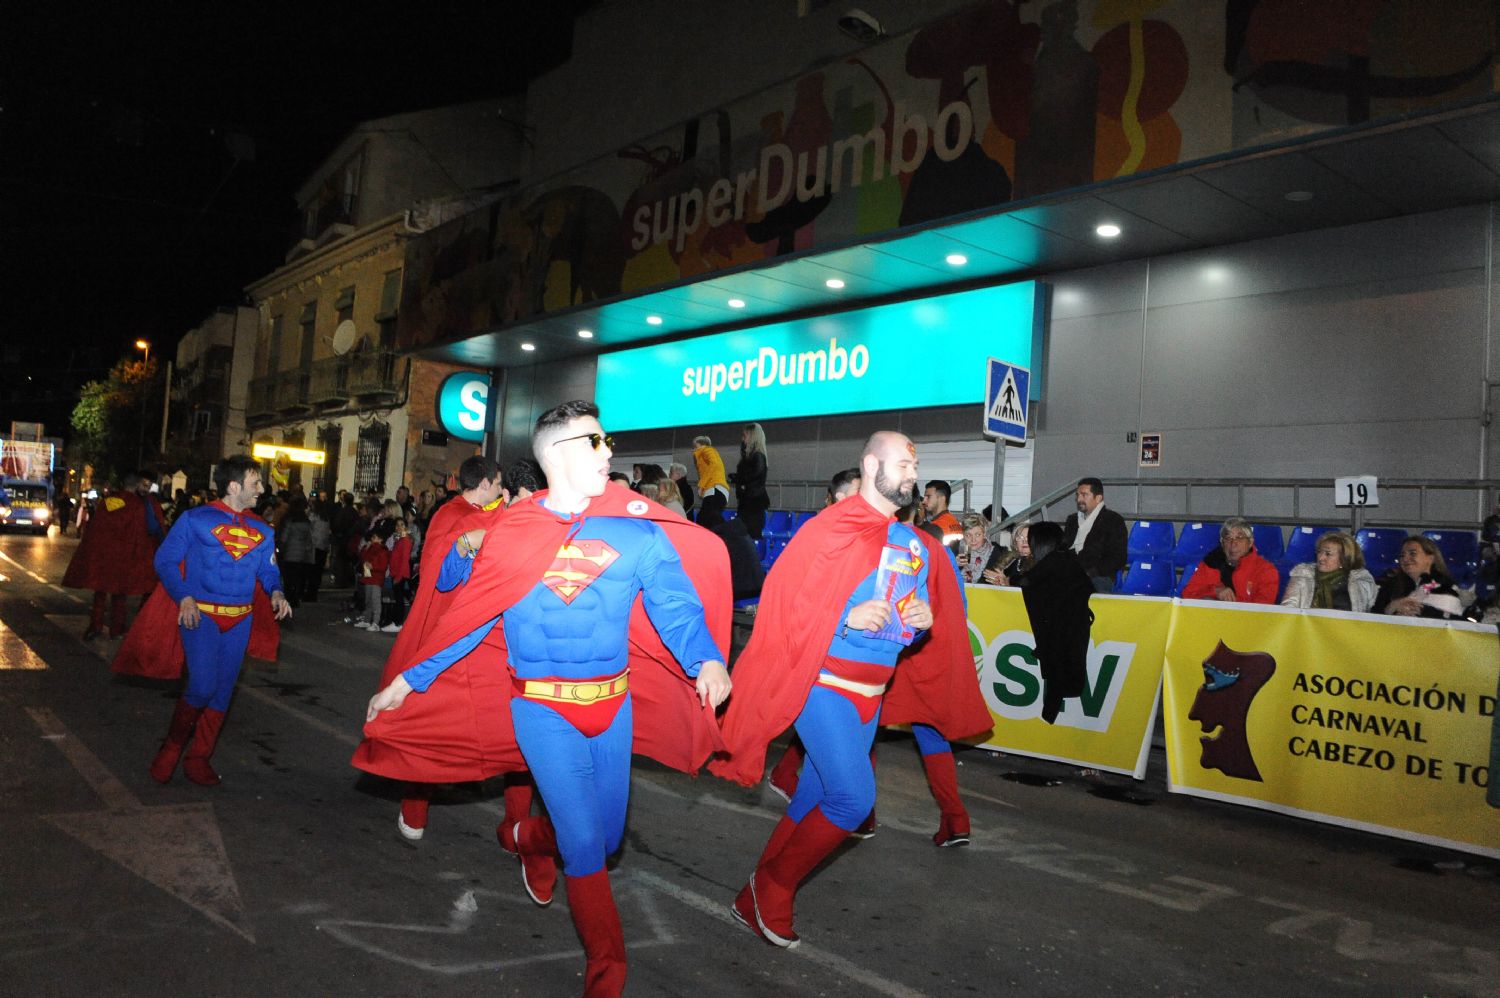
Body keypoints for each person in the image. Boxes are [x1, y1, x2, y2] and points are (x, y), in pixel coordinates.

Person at [364, 401, 733, 996]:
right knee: (586, 842)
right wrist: (407, 681)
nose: (609, 452)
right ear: (560, 453)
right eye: (597, 441)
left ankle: (518, 837)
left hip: (613, 706)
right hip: (540, 710)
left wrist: (707, 658)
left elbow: (674, 603)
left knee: (606, 839)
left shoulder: (636, 528)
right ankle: (608, 972)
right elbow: (471, 618)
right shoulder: (510, 530)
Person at [712, 431, 991, 949]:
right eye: (904, 464)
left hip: (870, 694)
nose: (913, 473)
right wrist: (844, 616)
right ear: (870, 464)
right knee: (852, 799)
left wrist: (920, 620)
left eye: (915, 465)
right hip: (824, 686)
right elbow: (787, 602)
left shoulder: (911, 543)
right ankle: (772, 888)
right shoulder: (830, 528)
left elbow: (901, 629)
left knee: (814, 796)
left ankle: (751, 896)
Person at [351, 455, 533, 854]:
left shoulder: (518, 521)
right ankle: (415, 809)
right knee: (435, 729)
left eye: (509, 490)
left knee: (521, 740)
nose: (503, 495)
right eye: (499, 486)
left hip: (508, 651)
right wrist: (471, 543)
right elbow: (443, 580)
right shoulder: (457, 517)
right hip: (460, 641)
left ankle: (516, 826)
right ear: (486, 484)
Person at [126, 455, 291, 785]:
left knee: (223, 693)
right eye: (254, 483)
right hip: (201, 617)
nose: (261, 489)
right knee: (202, 687)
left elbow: (268, 570)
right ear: (233, 486)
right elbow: (166, 560)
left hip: (239, 620)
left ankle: (199, 757)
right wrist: (184, 596)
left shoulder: (262, 529)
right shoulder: (195, 519)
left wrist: (276, 591)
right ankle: (171, 749)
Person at [62, 471, 161, 639]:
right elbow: (143, 533)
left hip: (104, 557)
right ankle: (116, 630)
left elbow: (96, 529)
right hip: (124, 560)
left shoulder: (108, 502)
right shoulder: (138, 505)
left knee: (100, 594)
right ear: (137, 485)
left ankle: (95, 627)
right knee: (119, 596)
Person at [1012, 521, 1094, 723]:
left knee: (1058, 681)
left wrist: (1007, 581)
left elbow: (1027, 582)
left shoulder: (1055, 561)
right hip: (1071, 633)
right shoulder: (1064, 559)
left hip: (1064, 635)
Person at [1180, 517, 1280, 603]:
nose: (1233, 543)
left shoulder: (1266, 570)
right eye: (1228, 538)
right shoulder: (1211, 563)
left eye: (1239, 538)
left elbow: (1264, 608)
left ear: (1250, 542)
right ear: (1222, 543)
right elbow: (1187, 594)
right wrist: (1215, 591)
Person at [1372, 536, 1467, 619]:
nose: (1405, 559)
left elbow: (1453, 620)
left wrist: (1421, 612)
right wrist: (1392, 607)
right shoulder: (1390, 586)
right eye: (1402, 555)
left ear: (1431, 558)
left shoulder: (1447, 586)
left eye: (1412, 553)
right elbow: (1372, 618)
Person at [1280, 531, 1377, 613]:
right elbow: (1288, 610)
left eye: (1328, 554)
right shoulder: (1303, 576)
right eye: (1319, 552)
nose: (1321, 558)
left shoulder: (1360, 581)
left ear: (1344, 558)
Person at [1060, 478, 1128, 593]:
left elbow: (1118, 557)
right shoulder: (1072, 520)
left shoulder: (1113, 520)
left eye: (1084, 495)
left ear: (1098, 498)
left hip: (1100, 576)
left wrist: (1091, 572)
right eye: (1078, 495)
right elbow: (1063, 548)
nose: (1079, 499)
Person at [733, 422, 770, 539]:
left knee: (749, 533)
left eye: (744, 435)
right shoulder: (750, 456)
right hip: (748, 500)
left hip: (753, 502)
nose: (742, 439)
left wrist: (739, 478)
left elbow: (755, 474)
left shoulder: (757, 456)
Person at [276, 498, 315, 609]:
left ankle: (289, 597)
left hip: (289, 552)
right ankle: (296, 598)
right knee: (298, 577)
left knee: (288, 578)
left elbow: (284, 537)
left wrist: (280, 548)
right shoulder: (305, 521)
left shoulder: (290, 520)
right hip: (301, 554)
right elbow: (309, 539)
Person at [356, 522, 392, 629]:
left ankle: (376, 622)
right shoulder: (371, 548)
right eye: (372, 537)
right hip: (368, 577)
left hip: (376, 578)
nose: (372, 539)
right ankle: (367, 619)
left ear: (380, 539)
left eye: (374, 537)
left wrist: (373, 566)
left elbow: (383, 565)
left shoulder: (382, 551)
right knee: (368, 599)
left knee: (375, 600)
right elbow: (363, 558)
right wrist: (365, 549)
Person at [693, 434, 730, 527]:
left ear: (701, 444)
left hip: (714, 488)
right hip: (718, 489)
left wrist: (702, 485)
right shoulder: (709, 452)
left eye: (695, 446)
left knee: (705, 519)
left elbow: (713, 465)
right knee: (707, 519)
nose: (694, 449)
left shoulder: (706, 450)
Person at [384, 517, 413, 631]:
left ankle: (398, 622)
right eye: (397, 525)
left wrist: (399, 576)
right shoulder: (399, 540)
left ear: (405, 527)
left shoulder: (405, 541)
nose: (399, 527)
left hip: (400, 574)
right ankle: (397, 622)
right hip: (396, 573)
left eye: (401, 525)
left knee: (399, 599)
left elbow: (404, 560)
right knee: (398, 598)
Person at [984, 522, 1033, 586]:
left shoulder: (1039, 563)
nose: (1024, 541)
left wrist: (1007, 582)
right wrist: (999, 584)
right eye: (1020, 537)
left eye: (1028, 537)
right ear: (1015, 543)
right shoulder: (1009, 561)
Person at [923, 480, 964, 547]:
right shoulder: (954, 521)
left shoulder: (936, 527)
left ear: (942, 498)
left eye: (928, 497)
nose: (924, 501)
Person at [959, 513, 995, 584]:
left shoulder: (995, 554)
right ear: (963, 535)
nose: (973, 540)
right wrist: (954, 565)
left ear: (984, 534)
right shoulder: (955, 550)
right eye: (968, 535)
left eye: (977, 535)